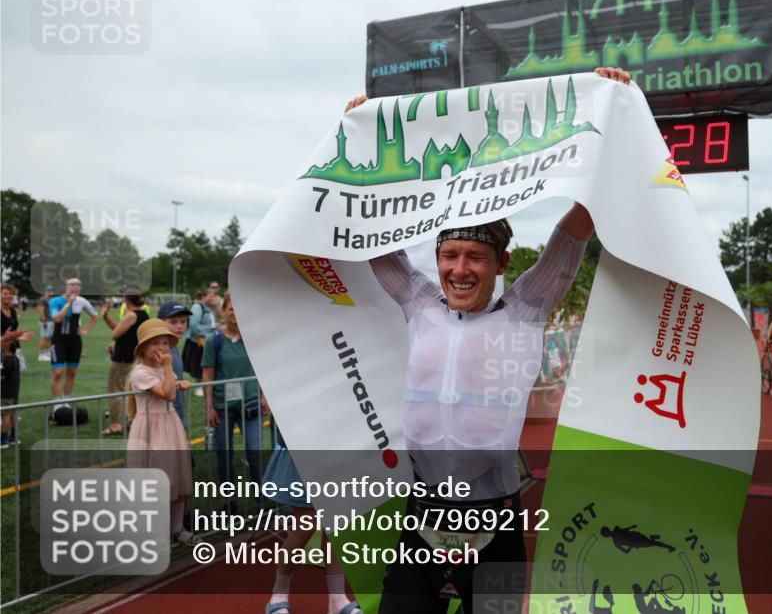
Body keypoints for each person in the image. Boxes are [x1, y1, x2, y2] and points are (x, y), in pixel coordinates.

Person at [350, 66, 630, 613]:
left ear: (501, 263)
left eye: (474, 257)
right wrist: (359, 138)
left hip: (495, 518)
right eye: (448, 255)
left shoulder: (526, 309)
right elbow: (367, 230)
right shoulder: (416, 300)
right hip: (422, 513)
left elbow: (576, 229)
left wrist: (612, 120)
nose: (458, 269)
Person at [262, 397, 360, 614]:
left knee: (335, 529)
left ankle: (337, 600)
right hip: (306, 451)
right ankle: (278, 596)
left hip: (338, 451)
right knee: (304, 527)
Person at [126, 318, 195, 544]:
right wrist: (169, 370)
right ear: (144, 348)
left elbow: (170, 386)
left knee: (177, 476)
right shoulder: (140, 372)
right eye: (155, 343)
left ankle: (177, 529)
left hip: (169, 424)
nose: (162, 349)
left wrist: (177, 381)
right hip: (151, 429)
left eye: (165, 343)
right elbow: (167, 394)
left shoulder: (162, 369)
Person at [202, 292, 264, 514]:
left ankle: (261, 502)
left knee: (255, 454)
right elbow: (207, 376)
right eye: (231, 308)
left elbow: (262, 370)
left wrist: (264, 397)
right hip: (222, 408)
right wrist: (208, 407)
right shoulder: (214, 340)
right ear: (223, 311)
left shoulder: (253, 338)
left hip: (250, 406)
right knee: (224, 455)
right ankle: (230, 503)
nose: (235, 313)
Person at [101, 287, 149, 436]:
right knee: (131, 391)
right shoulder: (143, 314)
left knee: (115, 391)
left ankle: (116, 424)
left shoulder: (131, 316)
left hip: (123, 359)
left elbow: (115, 334)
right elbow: (121, 330)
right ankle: (134, 421)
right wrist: (106, 317)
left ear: (126, 299)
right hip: (135, 358)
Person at [49, 278, 99, 403]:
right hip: (58, 341)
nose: (75, 287)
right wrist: (68, 303)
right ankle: (56, 403)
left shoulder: (82, 301)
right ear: (66, 287)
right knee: (58, 373)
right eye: (72, 284)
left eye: (78, 285)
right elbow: (57, 319)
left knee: (71, 372)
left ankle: (66, 401)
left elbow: (95, 316)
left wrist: (86, 330)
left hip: (75, 342)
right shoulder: (55, 301)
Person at [2, 284, 34, 448]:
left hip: (12, 358)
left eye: (10, 294)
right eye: (5, 294)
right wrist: (10, 337)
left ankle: (10, 437)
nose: (8, 297)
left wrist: (20, 338)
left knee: (12, 398)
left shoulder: (13, 312)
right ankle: (7, 437)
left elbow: (11, 337)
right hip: (2, 357)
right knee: (6, 399)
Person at [159, 301, 193, 426]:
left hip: (175, 414)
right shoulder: (159, 351)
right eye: (173, 322)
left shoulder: (174, 347)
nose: (179, 326)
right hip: (163, 416)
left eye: (183, 322)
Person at [183, 290, 215, 388]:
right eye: (210, 296)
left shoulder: (208, 308)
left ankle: (202, 385)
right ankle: (199, 386)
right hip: (197, 342)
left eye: (213, 296)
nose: (212, 298)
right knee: (197, 365)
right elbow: (193, 324)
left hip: (205, 341)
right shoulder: (197, 307)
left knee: (203, 363)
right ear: (203, 297)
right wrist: (206, 335)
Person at [36, 287, 54, 361]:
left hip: (51, 321)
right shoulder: (43, 300)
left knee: (49, 338)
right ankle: (41, 354)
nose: (50, 292)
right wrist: (44, 321)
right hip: (46, 321)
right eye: (48, 291)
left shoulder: (51, 300)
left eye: (51, 291)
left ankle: (48, 353)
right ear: (45, 292)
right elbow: (41, 310)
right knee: (44, 338)